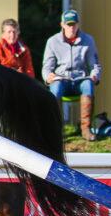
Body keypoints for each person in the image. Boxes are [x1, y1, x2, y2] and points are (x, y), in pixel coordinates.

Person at [42, 9, 102, 142]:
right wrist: (48, 77)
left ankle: (86, 129)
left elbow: (94, 64)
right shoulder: (52, 42)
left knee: (88, 85)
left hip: (80, 79)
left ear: (78, 25)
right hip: (61, 78)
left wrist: (94, 75)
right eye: (68, 24)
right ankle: (56, 129)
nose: (71, 28)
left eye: (74, 24)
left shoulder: (88, 40)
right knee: (55, 89)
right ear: (62, 25)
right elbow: (47, 66)